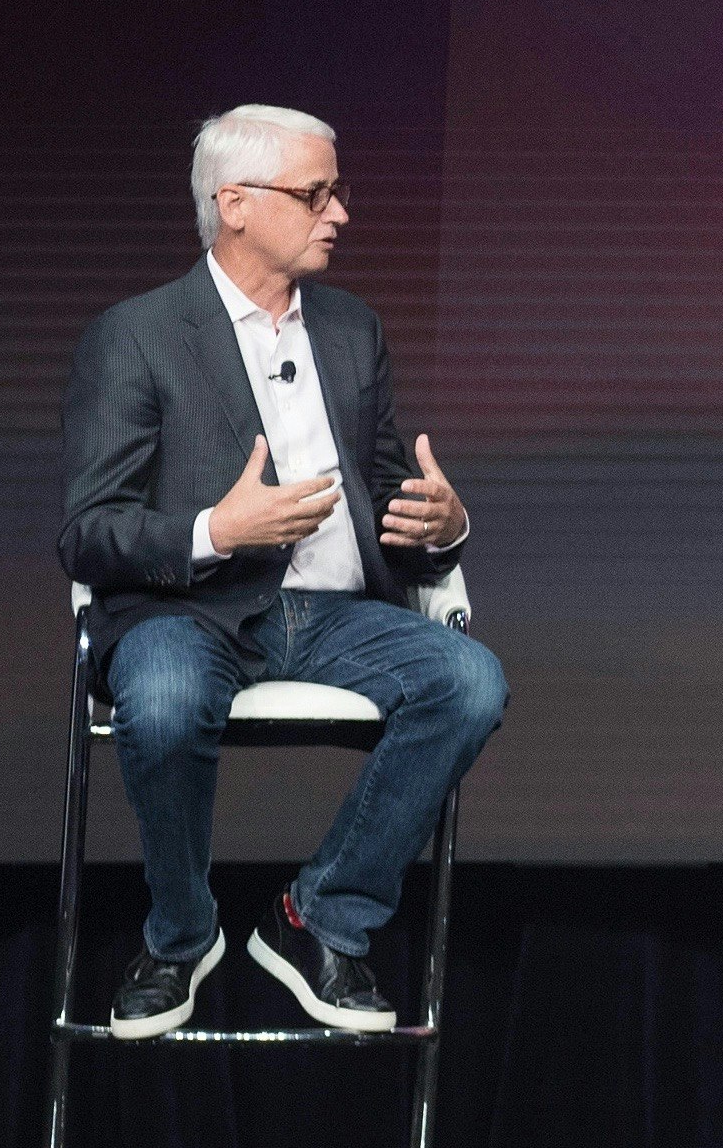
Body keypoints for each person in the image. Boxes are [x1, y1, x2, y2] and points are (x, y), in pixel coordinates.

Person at [57, 104, 506, 1039]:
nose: (339, 212)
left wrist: (444, 525)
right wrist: (218, 529)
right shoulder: (135, 335)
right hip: (190, 610)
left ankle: (319, 918)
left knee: (469, 682)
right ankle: (180, 934)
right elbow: (89, 532)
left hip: (335, 614)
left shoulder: (351, 330)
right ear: (235, 204)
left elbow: (393, 501)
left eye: (337, 191)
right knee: (165, 702)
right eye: (316, 193)